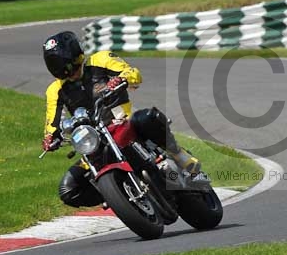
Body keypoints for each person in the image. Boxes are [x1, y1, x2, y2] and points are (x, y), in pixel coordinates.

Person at [40, 30, 201, 208]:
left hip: (122, 120)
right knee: (68, 189)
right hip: (94, 140)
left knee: (148, 117)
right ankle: (117, 195)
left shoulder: (101, 59)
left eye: (66, 63)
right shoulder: (55, 90)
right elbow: (52, 123)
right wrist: (50, 138)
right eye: (56, 65)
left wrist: (122, 79)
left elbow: (133, 73)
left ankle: (179, 155)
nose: (66, 69)